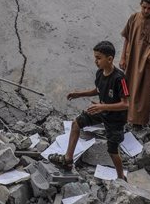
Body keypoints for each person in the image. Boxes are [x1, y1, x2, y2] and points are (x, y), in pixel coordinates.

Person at [49, 41, 129, 179]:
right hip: (101, 111)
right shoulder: (99, 73)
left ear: (109, 59)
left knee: (113, 150)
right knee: (76, 124)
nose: (95, 61)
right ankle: (68, 160)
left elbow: (125, 104)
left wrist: (102, 106)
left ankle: (121, 177)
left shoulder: (119, 78)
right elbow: (97, 90)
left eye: (99, 58)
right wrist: (79, 94)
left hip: (116, 119)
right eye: (95, 57)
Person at [120, 0, 150, 128]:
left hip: (147, 63)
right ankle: (125, 116)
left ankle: (139, 122)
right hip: (132, 59)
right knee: (127, 88)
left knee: (145, 92)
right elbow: (127, 38)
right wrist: (123, 57)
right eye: (144, 7)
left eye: (149, 8)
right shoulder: (134, 18)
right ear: (140, 4)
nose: (146, 10)